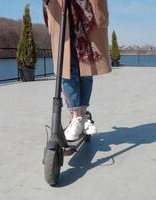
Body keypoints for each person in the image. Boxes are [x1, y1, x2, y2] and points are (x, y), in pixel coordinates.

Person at [43, 0, 112, 141]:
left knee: (86, 69)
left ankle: (83, 115)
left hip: (87, 14)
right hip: (61, 11)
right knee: (67, 69)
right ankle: (76, 117)